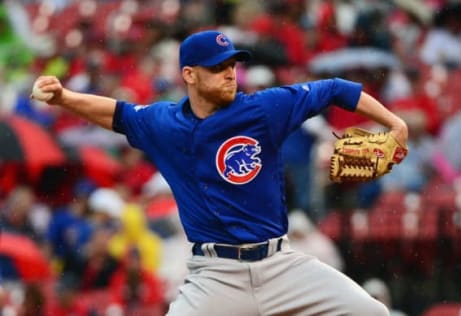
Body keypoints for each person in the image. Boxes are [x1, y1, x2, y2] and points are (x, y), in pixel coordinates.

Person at [32, 30, 408, 316]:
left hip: (281, 265)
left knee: (372, 312)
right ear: (189, 75)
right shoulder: (165, 123)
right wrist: (65, 98)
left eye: (231, 65)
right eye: (218, 67)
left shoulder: (263, 110)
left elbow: (336, 89)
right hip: (215, 276)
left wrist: (394, 124)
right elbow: (117, 113)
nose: (230, 73)